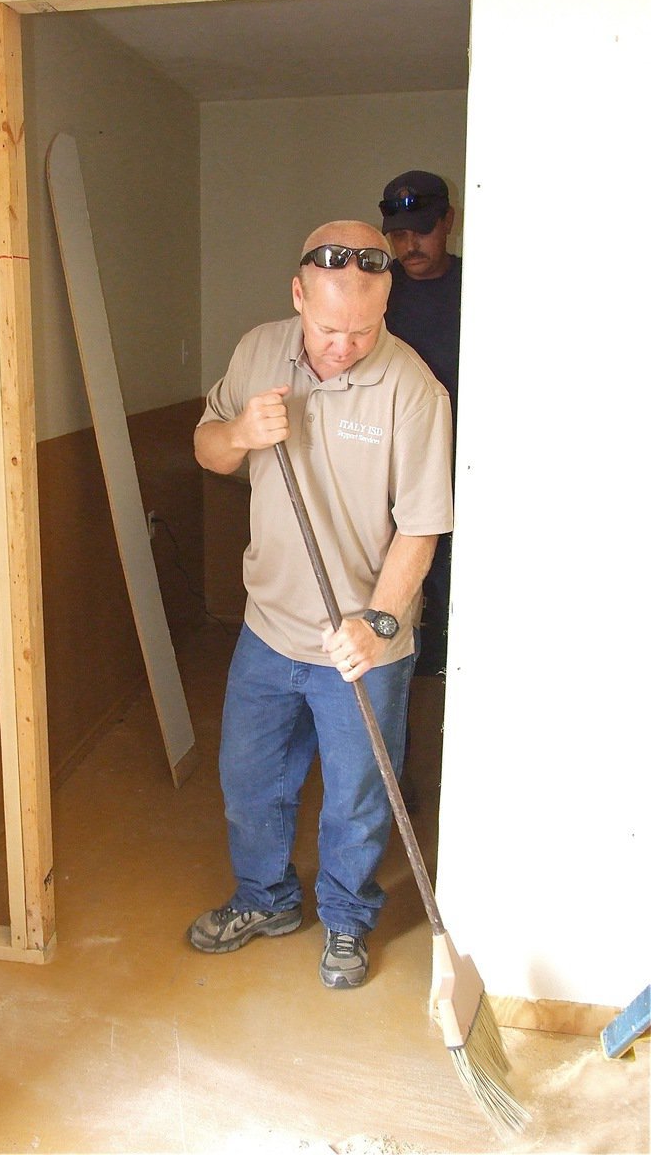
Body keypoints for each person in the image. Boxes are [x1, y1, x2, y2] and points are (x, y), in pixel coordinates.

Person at [187, 221, 453, 989]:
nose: (343, 347)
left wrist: (376, 624)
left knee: (360, 797)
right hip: (269, 631)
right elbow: (208, 448)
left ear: (386, 306)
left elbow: (422, 527)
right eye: (330, 329)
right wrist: (239, 430)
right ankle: (265, 898)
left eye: (364, 330)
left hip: (364, 645)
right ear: (298, 296)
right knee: (249, 782)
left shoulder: (414, 389)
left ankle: (344, 920)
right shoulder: (258, 352)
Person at [379, 170, 462, 676]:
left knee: (451, 573)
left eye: (422, 230)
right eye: (399, 233)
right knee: (392, 575)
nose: (410, 245)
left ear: (448, 221)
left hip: (462, 457)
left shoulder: (479, 288)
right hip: (388, 460)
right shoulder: (377, 287)